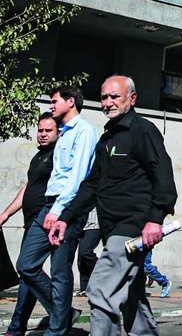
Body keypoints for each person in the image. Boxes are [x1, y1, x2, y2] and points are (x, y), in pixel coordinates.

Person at [48, 75, 178, 336]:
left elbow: (163, 174)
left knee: (100, 289)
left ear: (132, 98)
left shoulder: (143, 130)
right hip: (111, 228)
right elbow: (91, 185)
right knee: (132, 295)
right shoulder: (107, 138)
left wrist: (156, 218)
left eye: (114, 96)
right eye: (104, 97)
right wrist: (65, 216)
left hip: (131, 227)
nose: (107, 102)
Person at [16, 86, 98, 336]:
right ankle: (62, 313)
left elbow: (78, 175)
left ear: (70, 102)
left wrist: (60, 210)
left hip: (66, 209)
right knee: (26, 264)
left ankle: (56, 330)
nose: (51, 106)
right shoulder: (63, 134)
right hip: (48, 206)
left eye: (55, 101)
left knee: (60, 270)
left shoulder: (85, 131)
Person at [0, 112, 59, 336]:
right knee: (28, 273)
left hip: (46, 220)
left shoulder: (57, 155)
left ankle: (58, 310)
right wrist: (5, 214)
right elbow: (28, 188)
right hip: (30, 221)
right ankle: (18, 327)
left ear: (58, 132)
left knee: (27, 268)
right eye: (40, 130)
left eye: (48, 131)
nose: (42, 135)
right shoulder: (38, 157)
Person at [76, 208, 102, 296]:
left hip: (95, 224)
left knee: (85, 252)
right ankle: (85, 288)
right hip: (82, 225)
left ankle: (104, 269)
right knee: (81, 258)